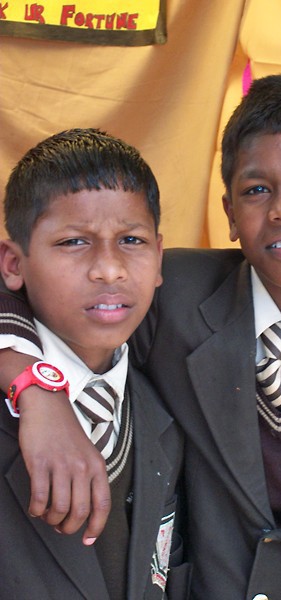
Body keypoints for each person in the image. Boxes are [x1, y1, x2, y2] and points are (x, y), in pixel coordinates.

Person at [0, 76, 281, 599]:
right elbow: (27, 282)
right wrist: (38, 390)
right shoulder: (166, 292)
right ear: (230, 214)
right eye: (257, 190)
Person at [0, 129, 190, 599]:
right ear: (13, 264)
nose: (109, 268)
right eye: (73, 242)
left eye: (131, 239)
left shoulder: (163, 416)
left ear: (159, 257)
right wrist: (36, 387)